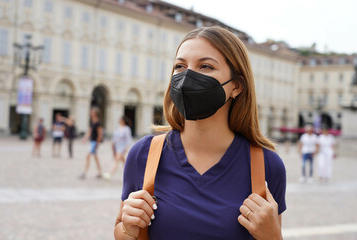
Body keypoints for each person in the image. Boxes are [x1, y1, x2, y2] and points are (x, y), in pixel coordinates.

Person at [114, 26, 286, 240]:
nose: (187, 77)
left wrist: (273, 237)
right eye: (180, 66)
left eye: (205, 66)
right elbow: (122, 232)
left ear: (237, 86)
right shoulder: (144, 154)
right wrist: (127, 230)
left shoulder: (267, 166)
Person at [80, 107, 103, 179]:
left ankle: (84, 173)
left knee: (88, 156)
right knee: (95, 158)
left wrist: (97, 143)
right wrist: (84, 139)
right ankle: (100, 172)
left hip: (94, 142)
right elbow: (89, 132)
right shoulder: (92, 122)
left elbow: (100, 134)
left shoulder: (98, 123)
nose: (91, 114)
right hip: (92, 142)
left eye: (92, 112)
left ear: (95, 114)